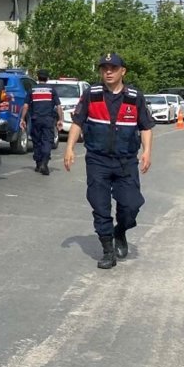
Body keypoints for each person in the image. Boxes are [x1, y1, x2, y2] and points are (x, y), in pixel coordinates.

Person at [64, 53, 154, 269]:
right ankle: (108, 251)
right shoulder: (91, 94)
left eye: (113, 68)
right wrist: (69, 148)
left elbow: (146, 127)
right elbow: (77, 122)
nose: (108, 72)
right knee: (100, 206)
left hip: (126, 162)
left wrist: (147, 151)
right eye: (104, 68)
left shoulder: (135, 96)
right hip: (98, 161)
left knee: (131, 205)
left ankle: (120, 231)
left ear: (123, 71)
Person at [25, 69, 63, 176]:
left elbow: (25, 106)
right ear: (47, 78)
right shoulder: (51, 90)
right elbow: (59, 106)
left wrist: (22, 119)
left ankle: (38, 164)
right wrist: (60, 119)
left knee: (37, 141)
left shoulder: (32, 90)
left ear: (38, 77)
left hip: (35, 119)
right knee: (47, 140)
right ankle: (44, 163)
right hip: (48, 120)